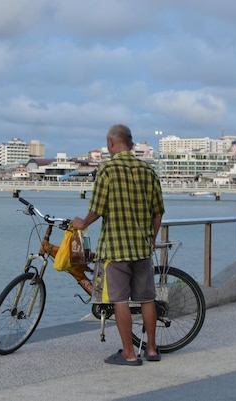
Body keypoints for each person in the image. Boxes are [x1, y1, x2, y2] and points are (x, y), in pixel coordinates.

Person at [73, 124, 165, 366]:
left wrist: (83, 223)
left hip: (116, 248)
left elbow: (98, 208)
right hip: (142, 248)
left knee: (120, 300)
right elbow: (158, 213)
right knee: (147, 299)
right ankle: (152, 350)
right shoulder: (148, 171)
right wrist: (152, 239)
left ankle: (129, 353)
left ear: (111, 144)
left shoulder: (107, 169)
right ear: (131, 144)